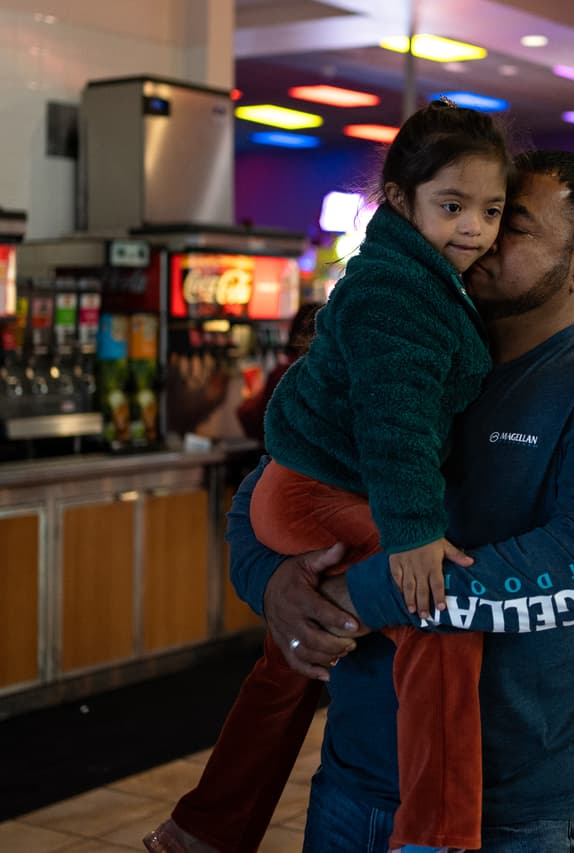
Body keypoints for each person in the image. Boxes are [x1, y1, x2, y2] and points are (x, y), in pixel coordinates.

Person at [211, 150, 574, 853]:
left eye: (507, 222)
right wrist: (269, 581)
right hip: (354, 774)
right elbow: (272, 484)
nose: (477, 235)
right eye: (467, 210)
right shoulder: (397, 337)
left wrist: (363, 594)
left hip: (511, 802)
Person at [147, 99, 511, 853]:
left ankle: (206, 826)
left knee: (303, 646)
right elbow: (396, 421)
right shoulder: (396, 290)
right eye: (453, 206)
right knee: (438, 616)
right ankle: (437, 835)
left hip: (320, 485)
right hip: (318, 493)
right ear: (403, 202)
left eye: (492, 210)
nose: (474, 227)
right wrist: (414, 535)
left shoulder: (432, 278)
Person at [234, 301, 321, 442]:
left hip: (285, 457)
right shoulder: (332, 375)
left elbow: (256, 423)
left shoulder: (285, 374)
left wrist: (252, 398)